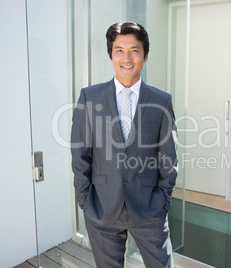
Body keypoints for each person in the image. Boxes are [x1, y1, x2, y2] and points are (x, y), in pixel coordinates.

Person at [71, 21, 178, 267]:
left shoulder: (162, 101)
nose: (127, 57)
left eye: (134, 50)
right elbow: (80, 153)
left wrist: (163, 201)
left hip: (149, 209)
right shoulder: (89, 97)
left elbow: (168, 158)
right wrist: (85, 200)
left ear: (145, 55)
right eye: (119, 50)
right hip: (101, 208)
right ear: (111, 55)